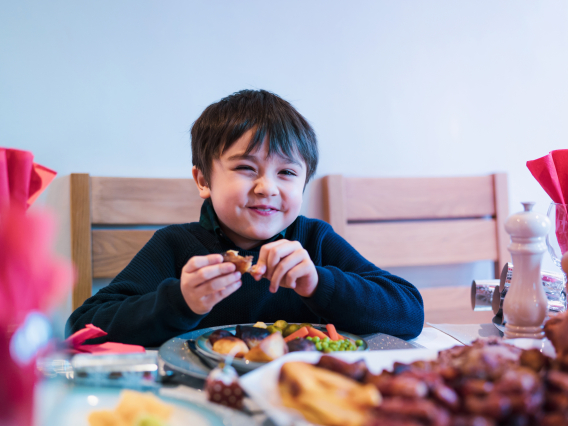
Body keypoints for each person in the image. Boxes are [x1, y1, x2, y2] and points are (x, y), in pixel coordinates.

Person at [66, 89, 424, 346]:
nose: (267, 187)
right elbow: (82, 327)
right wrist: (180, 302)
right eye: (245, 168)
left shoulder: (314, 241)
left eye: (286, 173)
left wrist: (319, 283)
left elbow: (409, 313)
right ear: (203, 180)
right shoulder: (176, 245)